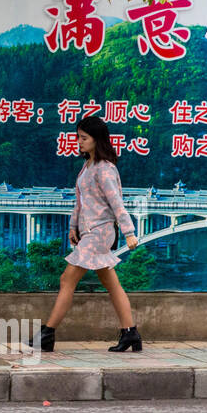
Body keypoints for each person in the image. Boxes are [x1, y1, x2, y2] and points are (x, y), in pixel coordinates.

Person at [32, 114, 142, 352]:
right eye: (78, 137)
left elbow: (117, 204)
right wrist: (74, 227)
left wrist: (129, 232)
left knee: (67, 279)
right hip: (89, 232)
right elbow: (80, 203)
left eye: (84, 138)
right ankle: (130, 332)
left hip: (100, 233)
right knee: (112, 284)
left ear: (97, 140)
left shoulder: (104, 169)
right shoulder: (87, 167)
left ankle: (47, 334)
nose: (79, 142)